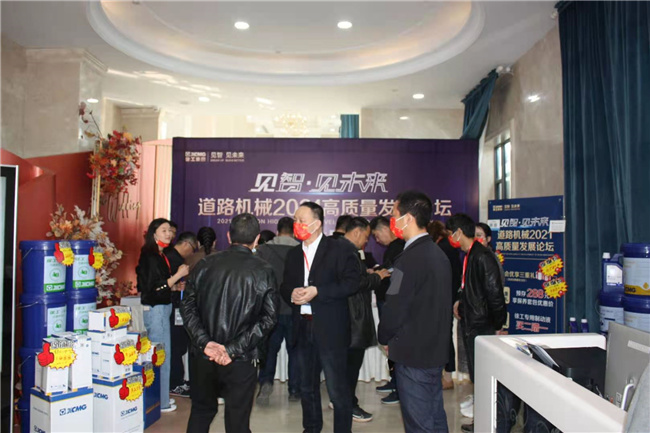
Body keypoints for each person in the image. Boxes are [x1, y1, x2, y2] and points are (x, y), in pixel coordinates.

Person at [181, 213, 278, 433]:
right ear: (257, 239)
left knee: (201, 412)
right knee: (238, 420)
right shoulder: (264, 270)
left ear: (228, 236)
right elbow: (269, 318)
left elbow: (187, 307)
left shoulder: (204, 264)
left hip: (204, 356)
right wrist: (232, 349)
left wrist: (205, 343)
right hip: (241, 359)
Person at [280, 202, 360, 433]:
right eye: (295, 220)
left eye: (302, 221)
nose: (297, 225)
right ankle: (311, 428)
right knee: (307, 387)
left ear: (317, 224)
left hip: (331, 329)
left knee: (338, 390)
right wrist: (291, 294)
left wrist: (319, 292)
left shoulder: (339, 249)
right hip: (302, 327)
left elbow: (352, 283)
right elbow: (284, 286)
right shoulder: (293, 254)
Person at [378, 190, 452, 433]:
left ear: (408, 218)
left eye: (394, 215)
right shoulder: (438, 254)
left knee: (419, 423)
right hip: (434, 351)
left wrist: (384, 336)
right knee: (435, 417)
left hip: (413, 355)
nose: (392, 220)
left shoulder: (406, 261)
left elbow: (394, 306)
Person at [446, 213, 507, 433]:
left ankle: (489, 421)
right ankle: (482, 420)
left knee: (484, 375)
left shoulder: (482, 256)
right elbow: (470, 289)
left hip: (482, 325)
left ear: (459, 232)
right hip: (472, 323)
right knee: (477, 374)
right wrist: (460, 303)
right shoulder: (469, 255)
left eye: (450, 234)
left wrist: (498, 324)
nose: (450, 238)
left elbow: (495, 294)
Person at [136, 218, 189, 413]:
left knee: (163, 354)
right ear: (154, 233)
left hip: (163, 307)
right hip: (156, 310)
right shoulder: (150, 256)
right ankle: (159, 401)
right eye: (164, 230)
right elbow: (152, 288)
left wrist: (174, 287)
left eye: (170, 231)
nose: (169, 234)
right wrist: (177, 275)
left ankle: (162, 397)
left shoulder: (160, 255)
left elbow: (160, 286)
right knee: (159, 356)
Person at [342, 217, 390, 422]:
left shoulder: (340, 250)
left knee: (347, 366)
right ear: (356, 232)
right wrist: (377, 277)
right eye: (367, 236)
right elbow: (353, 284)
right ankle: (348, 405)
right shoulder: (348, 253)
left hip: (348, 317)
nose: (368, 241)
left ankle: (343, 401)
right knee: (351, 366)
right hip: (353, 317)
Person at [255, 216, 301, 405]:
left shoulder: (263, 251)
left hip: (270, 309)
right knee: (295, 351)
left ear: (277, 231)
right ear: (294, 231)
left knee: (269, 350)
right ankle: (295, 390)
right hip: (294, 308)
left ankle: (265, 383)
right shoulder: (301, 250)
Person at [369, 216, 405, 404]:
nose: (377, 240)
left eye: (376, 235)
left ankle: (400, 388)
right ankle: (394, 381)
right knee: (390, 345)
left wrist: (380, 273)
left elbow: (396, 274)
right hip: (386, 300)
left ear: (385, 229)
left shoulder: (399, 247)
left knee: (395, 345)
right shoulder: (393, 248)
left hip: (391, 302)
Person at [428, 220, 462, 390]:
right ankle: (446, 376)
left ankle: (447, 377)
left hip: (442, 300)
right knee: (445, 337)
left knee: (443, 338)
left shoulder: (441, 249)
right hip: (448, 298)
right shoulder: (449, 248)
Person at [165, 231, 198, 399]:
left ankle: (177, 380)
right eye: (192, 249)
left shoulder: (173, 257)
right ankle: (174, 383)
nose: (191, 254)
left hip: (175, 307)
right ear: (186, 244)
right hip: (171, 308)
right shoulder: (172, 259)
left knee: (178, 345)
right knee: (175, 346)